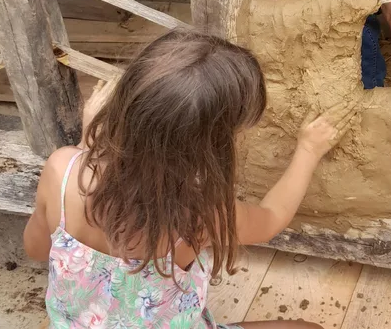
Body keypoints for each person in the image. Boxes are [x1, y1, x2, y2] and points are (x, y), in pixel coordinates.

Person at [23, 29, 356, 329]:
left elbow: (37, 249)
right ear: (210, 147)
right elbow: (271, 218)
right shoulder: (197, 214)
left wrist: (86, 146)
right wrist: (309, 150)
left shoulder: (61, 169)